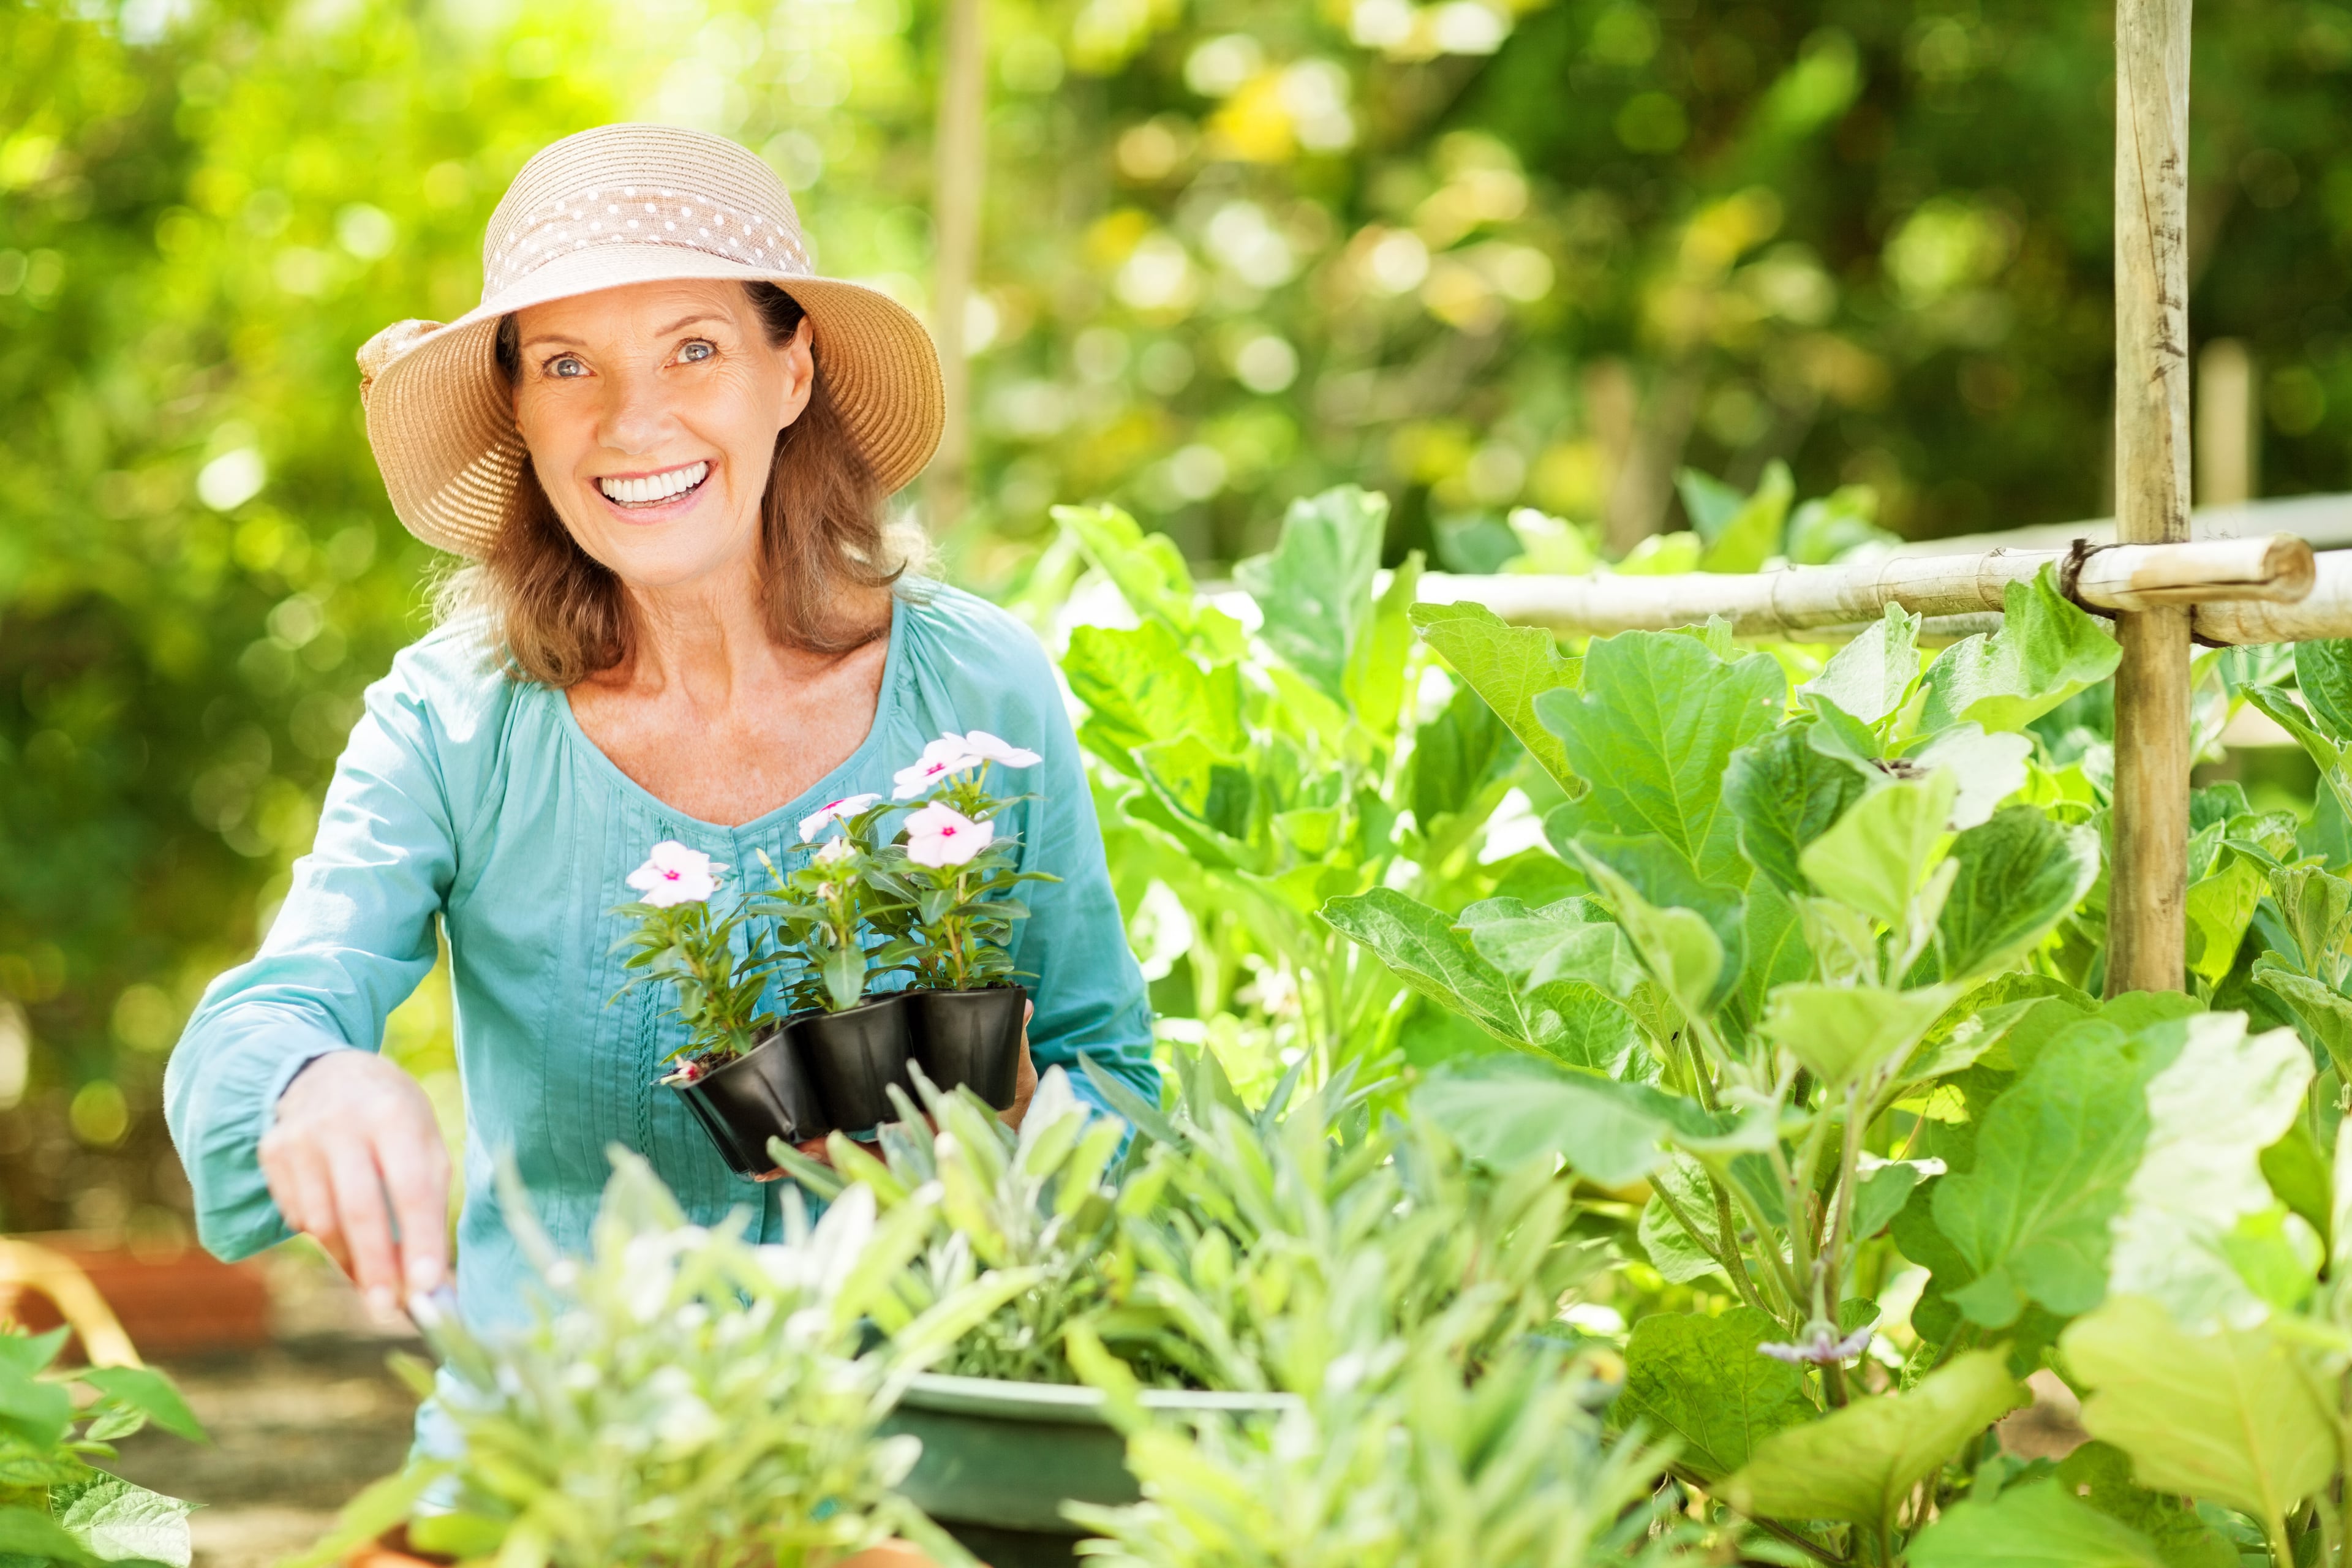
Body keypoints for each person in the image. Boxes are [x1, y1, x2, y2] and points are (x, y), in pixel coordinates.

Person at [163, 124, 1158, 1346]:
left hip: (921, 1420)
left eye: (695, 348)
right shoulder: (453, 721)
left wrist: (1015, 1143)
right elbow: (255, 1028)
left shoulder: (977, 682)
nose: (634, 424)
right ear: (518, 407)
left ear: (791, 372)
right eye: (571, 366)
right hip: (570, 1439)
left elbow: (1111, 1072)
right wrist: (312, 1079)